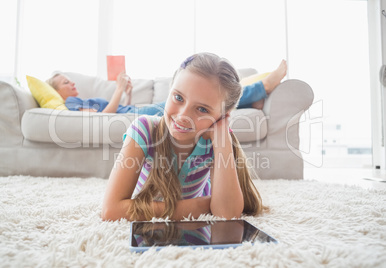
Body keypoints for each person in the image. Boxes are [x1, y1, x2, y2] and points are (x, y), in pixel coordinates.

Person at [101, 52, 281, 222]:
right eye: (178, 97)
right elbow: (110, 211)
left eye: (202, 109)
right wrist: (194, 207)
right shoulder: (144, 130)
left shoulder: (216, 139)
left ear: (222, 116)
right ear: (170, 90)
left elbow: (227, 215)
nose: (183, 116)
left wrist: (222, 140)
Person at [46, 60, 287, 115]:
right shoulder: (71, 105)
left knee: (203, 102)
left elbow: (120, 109)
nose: (72, 83)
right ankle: (261, 88)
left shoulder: (82, 99)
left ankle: (254, 96)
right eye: (66, 82)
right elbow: (103, 118)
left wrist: (126, 91)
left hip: (135, 111)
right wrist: (117, 89)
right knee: (202, 103)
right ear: (57, 90)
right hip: (137, 116)